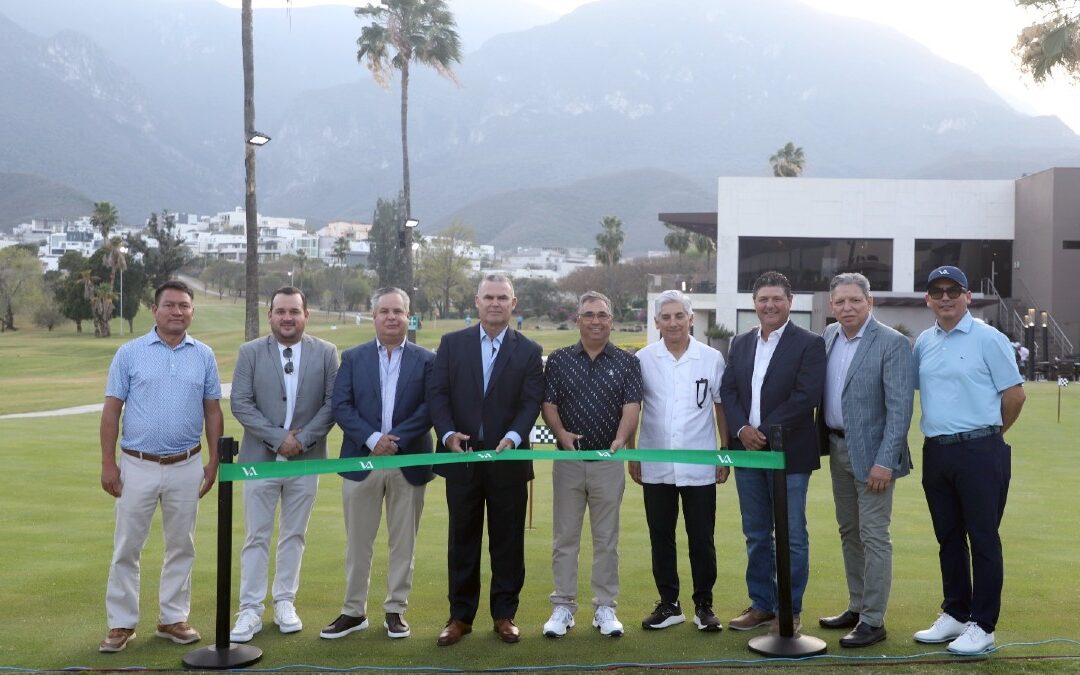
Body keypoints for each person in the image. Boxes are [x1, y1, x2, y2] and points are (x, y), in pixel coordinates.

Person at [98, 280, 224, 653]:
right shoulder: (129, 353)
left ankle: (172, 618)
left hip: (187, 463)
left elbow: (212, 411)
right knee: (127, 546)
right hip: (137, 464)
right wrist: (108, 463)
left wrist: (214, 460)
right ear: (155, 310)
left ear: (192, 311)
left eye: (184, 305)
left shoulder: (204, 355)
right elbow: (112, 410)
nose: (177, 311)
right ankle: (121, 623)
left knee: (182, 545)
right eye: (169, 305)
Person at [912, 265, 1025, 655]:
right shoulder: (924, 342)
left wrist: (990, 436)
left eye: (953, 290)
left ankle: (983, 625)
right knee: (948, 537)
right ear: (928, 299)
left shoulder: (989, 338)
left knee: (983, 537)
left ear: (967, 296)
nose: (945, 297)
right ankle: (956, 613)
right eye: (937, 291)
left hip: (980, 449)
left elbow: (1015, 395)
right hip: (936, 450)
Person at [428, 273, 545, 646]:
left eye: (502, 298)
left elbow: (531, 401)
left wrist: (514, 437)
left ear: (514, 304)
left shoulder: (529, 350)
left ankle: (504, 615)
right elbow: (438, 394)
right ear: (476, 302)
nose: (495, 303)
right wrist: (447, 434)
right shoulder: (452, 344)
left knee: (507, 541)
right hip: (461, 457)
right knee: (462, 539)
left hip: (508, 459)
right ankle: (460, 617)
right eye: (489, 297)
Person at [321, 287, 435, 641]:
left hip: (408, 461)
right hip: (362, 461)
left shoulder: (427, 359)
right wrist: (373, 439)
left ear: (408, 317)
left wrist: (394, 440)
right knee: (358, 543)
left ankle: (395, 610)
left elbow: (430, 408)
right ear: (374, 317)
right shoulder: (353, 357)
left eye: (398, 311)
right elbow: (342, 406)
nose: (391, 317)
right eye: (384, 311)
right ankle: (353, 611)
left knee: (403, 543)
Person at [228, 286, 339, 642]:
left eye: (294, 311)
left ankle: (285, 601)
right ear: (270, 315)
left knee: (294, 534)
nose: (287, 318)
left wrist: (302, 441)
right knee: (256, 536)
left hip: (305, 462)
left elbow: (332, 404)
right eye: (280, 311)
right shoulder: (250, 352)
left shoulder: (326, 352)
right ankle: (250, 609)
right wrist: (278, 438)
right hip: (260, 461)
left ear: (306, 315)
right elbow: (241, 403)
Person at [719, 270, 825, 635]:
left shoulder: (810, 343)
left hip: (789, 455)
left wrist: (761, 431)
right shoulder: (740, 343)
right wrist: (741, 430)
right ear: (754, 303)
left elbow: (806, 397)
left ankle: (788, 610)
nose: (770, 305)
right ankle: (762, 605)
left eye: (777, 298)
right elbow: (728, 391)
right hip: (747, 454)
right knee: (756, 533)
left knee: (791, 535)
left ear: (790, 302)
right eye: (763, 299)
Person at [814, 273, 914, 648]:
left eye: (855, 300)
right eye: (840, 301)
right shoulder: (828, 336)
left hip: (874, 457)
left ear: (870, 302)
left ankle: (873, 620)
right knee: (849, 531)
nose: (847, 307)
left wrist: (885, 461)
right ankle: (857, 606)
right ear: (831, 305)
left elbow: (900, 409)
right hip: (836, 447)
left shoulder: (892, 343)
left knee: (874, 536)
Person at [540, 291, 642, 639]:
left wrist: (622, 439)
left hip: (607, 462)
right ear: (578, 320)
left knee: (606, 539)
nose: (595, 321)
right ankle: (563, 606)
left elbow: (632, 407)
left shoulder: (627, 362)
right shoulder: (559, 360)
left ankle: (605, 607)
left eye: (602, 315)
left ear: (611, 320)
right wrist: (560, 433)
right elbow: (549, 404)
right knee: (565, 537)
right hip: (568, 461)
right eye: (589, 315)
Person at [630, 290, 729, 633]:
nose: (673, 323)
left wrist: (724, 451)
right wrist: (632, 452)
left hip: (700, 464)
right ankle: (669, 604)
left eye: (679, 316)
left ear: (691, 319)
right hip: (655, 462)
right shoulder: (643, 359)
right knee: (661, 536)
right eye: (666, 317)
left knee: (702, 537)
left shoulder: (711, 358)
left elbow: (720, 406)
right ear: (656, 322)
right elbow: (632, 408)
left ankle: (704, 605)